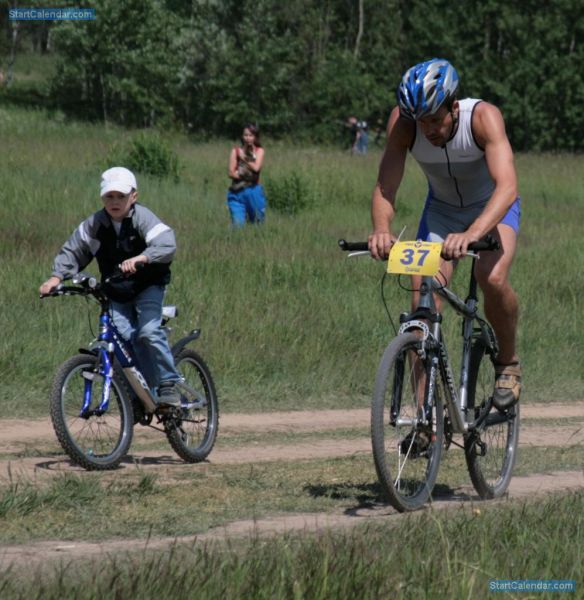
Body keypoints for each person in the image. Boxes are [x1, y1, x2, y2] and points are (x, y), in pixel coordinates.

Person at [368, 58, 522, 410]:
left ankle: (509, 364)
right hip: (442, 211)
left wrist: (472, 233)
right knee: (422, 303)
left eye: (435, 119)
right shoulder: (404, 124)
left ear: (453, 107)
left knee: (491, 276)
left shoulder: (483, 117)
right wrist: (381, 230)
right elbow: (385, 186)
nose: (429, 129)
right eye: (421, 122)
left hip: (493, 207)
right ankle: (425, 419)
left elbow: (507, 185)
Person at [39, 166, 182, 407]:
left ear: (133, 196)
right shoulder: (96, 224)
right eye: (109, 196)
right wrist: (55, 278)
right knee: (124, 341)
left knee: (147, 332)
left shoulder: (142, 218)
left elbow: (167, 244)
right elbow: (75, 250)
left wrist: (142, 258)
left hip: (148, 285)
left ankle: (168, 384)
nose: (114, 202)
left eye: (121, 196)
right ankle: (143, 393)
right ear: (102, 197)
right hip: (117, 291)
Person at [227, 123, 266, 227]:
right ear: (242, 136)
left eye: (251, 135)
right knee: (238, 225)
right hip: (237, 190)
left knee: (258, 222)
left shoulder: (259, 151)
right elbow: (231, 173)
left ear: (255, 137)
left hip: (254, 191)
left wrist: (243, 158)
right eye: (245, 135)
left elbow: (256, 168)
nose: (248, 138)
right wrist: (247, 175)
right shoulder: (235, 151)